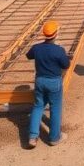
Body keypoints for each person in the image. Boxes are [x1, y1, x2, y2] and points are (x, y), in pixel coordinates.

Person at [25, 20, 69, 148]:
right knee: (55, 108)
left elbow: (28, 55)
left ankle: (32, 137)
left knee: (38, 106)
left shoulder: (37, 48)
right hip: (54, 81)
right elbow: (66, 64)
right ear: (55, 34)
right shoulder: (59, 50)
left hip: (40, 81)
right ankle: (54, 137)